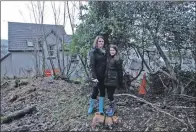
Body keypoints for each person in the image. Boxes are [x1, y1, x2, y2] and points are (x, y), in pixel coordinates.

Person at [88, 36, 107, 114]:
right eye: (99, 41)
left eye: (102, 41)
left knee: (102, 91)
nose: (101, 43)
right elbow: (92, 65)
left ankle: (101, 109)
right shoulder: (93, 52)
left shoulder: (105, 52)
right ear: (96, 42)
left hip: (103, 75)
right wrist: (94, 77)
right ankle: (91, 107)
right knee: (95, 91)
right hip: (96, 75)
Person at [104, 44, 123, 116]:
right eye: (110, 50)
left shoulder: (117, 59)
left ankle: (113, 107)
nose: (111, 51)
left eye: (113, 50)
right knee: (109, 95)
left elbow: (120, 71)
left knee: (110, 94)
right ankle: (111, 106)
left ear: (116, 51)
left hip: (113, 80)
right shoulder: (109, 58)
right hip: (107, 79)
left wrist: (120, 82)